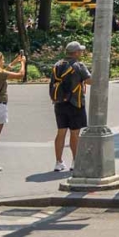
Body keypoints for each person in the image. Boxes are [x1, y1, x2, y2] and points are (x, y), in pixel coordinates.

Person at [49, 42, 92, 172]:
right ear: (76, 53)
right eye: (80, 51)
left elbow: (52, 83)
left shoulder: (57, 65)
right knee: (75, 133)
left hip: (59, 102)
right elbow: (90, 81)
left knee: (61, 132)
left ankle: (58, 162)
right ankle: (75, 161)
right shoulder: (79, 66)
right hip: (75, 102)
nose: (82, 53)